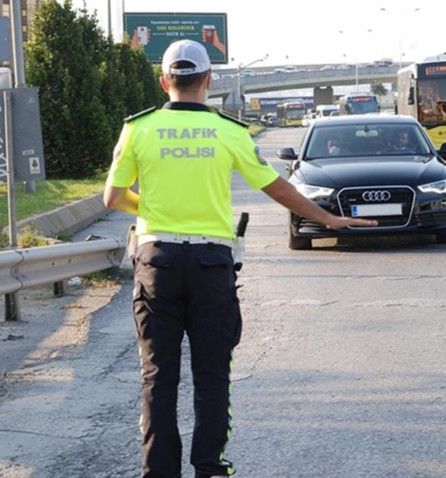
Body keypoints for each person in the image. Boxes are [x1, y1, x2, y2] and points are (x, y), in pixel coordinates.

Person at [103, 39, 376, 478]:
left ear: (163, 81)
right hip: (212, 264)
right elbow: (275, 186)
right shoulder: (228, 131)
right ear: (209, 82)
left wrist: (153, 209)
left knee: (158, 378)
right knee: (212, 375)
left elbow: (113, 197)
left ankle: (158, 473)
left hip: (157, 264)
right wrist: (327, 217)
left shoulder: (138, 128)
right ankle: (210, 468)